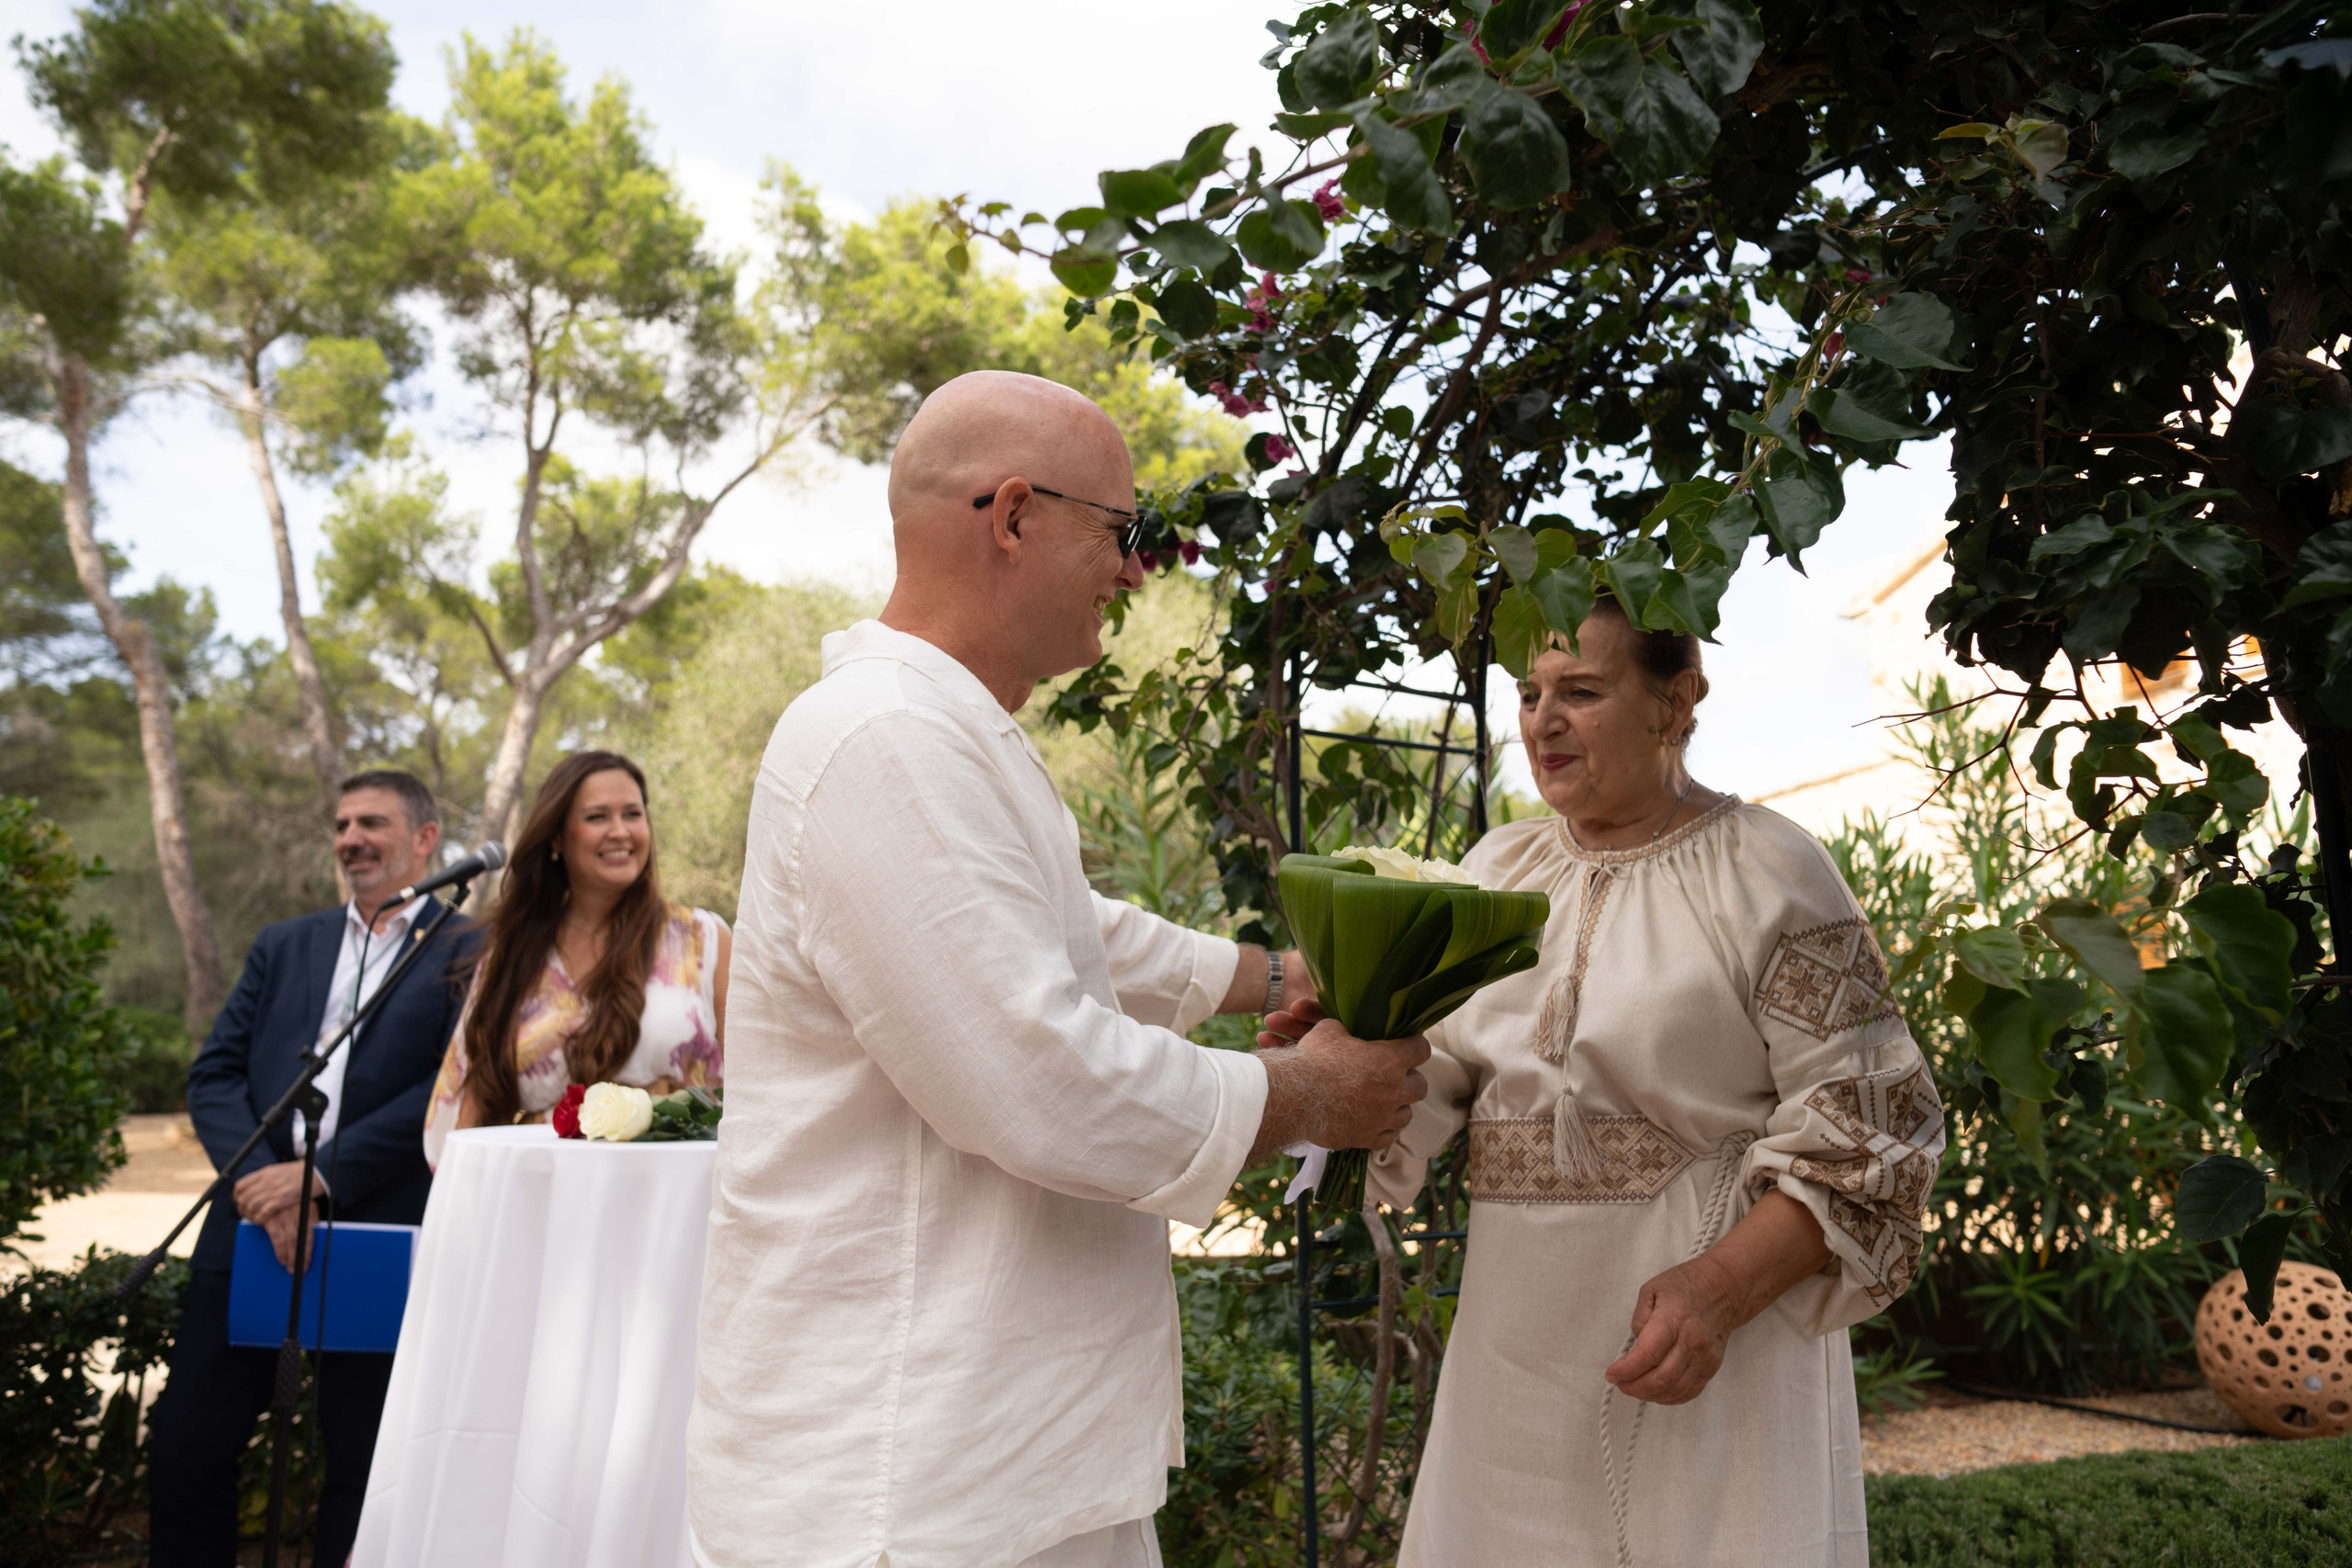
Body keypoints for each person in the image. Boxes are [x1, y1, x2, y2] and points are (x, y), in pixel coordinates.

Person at [687, 370, 1430, 1568]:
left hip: (987, 1448)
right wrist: (1304, 1096)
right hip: (908, 1473)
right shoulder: (887, 737)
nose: (1135, 573)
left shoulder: (934, 728)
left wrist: (1271, 973)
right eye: (1122, 531)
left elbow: (1060, 928)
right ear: (1015, 515)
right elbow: (1033, 1073)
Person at [1271, 601, 1944, 1567]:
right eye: (1529, 693)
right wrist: (1335, 1073)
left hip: (1707, 1359)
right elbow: (1426, 1090)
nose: (1543, 721)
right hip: (1512, 1363)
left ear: (1677, 702)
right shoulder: (1496, 874)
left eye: (1581, 691)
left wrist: (1719, 1291)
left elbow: (1877, 1135)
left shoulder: (1769, 872)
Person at [151, 770, 481, 1568]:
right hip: (251, 1226)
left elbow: (455, 1085)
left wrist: (320, 1175)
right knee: (186, 1446)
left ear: (426, 839)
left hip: (379, 1226)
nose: (350, 839)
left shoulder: (472, 947)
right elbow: (215, 1074)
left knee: (363, 1467)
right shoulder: (284, 942)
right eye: (341, 825)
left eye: (371, 822)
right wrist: (265, 1185)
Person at [423, 750, 728, 1163]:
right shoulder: (512, 955)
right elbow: (473, 1096)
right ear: (555, 837)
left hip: (669, 1181)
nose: (620, 831)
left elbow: (755, 1084)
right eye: (597, 817)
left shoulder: (703, 939)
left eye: (633, 814)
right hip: (543, 1184)